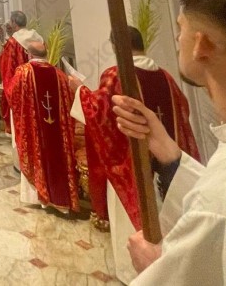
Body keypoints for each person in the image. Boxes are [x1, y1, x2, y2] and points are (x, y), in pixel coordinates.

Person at [113, 0, 226, 284]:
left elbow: (215, 213)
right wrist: (169, 153)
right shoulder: (165, 77)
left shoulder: (219, 202)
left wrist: (157, 264)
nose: (177, 38)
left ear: (202, 46)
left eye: (181, 29)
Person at [71, 25, 200, 284]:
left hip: (129, 167)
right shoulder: (166, 77)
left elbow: (98, 113)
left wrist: (78, 89)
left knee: (130, 224)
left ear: (117, 47)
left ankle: (132, 273)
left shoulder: (117, 75)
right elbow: (183, 113)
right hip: (169, 170)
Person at [9, 41, 79, 213]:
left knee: (37, 152)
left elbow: (12, 95)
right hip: (58, 133)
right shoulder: (60, 75)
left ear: (29, 54)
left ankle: (39, 198)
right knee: (58, 156)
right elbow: (70, 103)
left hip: (34, 130)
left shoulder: (23, 72)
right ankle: (62, 200)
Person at [0, 11, 44, 133]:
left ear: (14, 23)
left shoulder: (13, 43)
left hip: (22, 85)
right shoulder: (38, 38)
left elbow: (7, 66)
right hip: (40, 83)